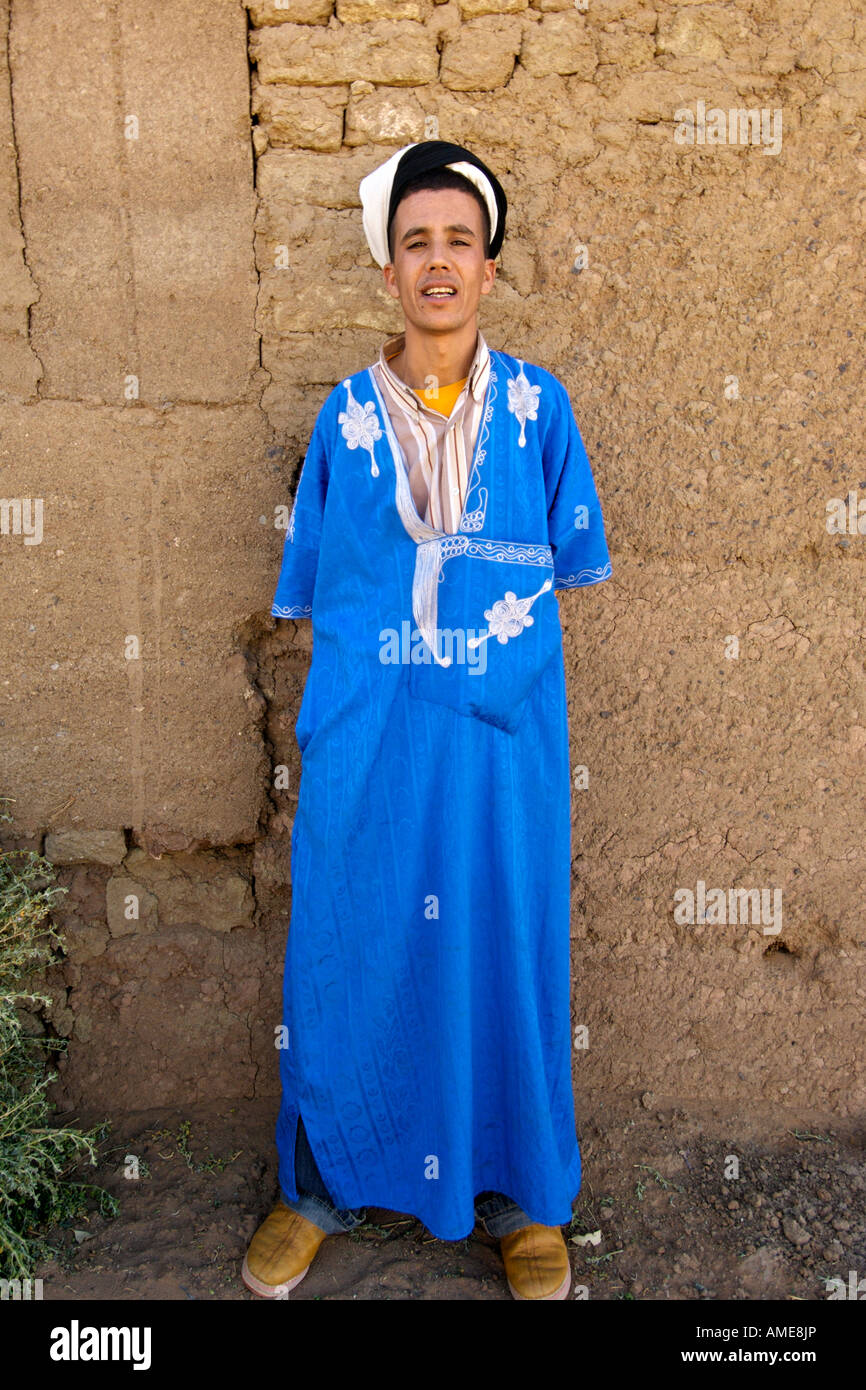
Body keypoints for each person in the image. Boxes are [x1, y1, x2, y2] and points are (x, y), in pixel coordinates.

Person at [243, 141, 612, 1301]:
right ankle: (319, 1184)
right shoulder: (342, 423)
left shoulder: (538, 410)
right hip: (370, 748)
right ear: (389, 271)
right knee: (348, 949)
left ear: (488, 268)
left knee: (501, 947)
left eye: (458, 240)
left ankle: (514, 1196)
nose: (437, 261)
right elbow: (318, 595)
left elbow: (566, 570)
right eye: (416, 242)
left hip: (500, 755)